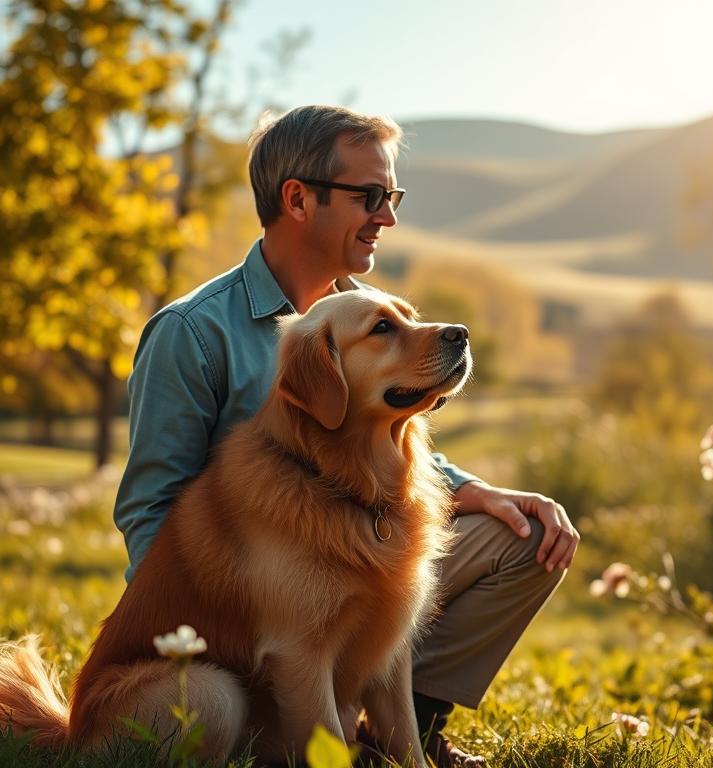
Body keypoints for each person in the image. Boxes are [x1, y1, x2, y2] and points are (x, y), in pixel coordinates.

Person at [114, 105, 580, 766]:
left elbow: (383, 446)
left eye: (390, 197)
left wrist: (478, 492)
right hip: (250, 614)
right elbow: (149, 511)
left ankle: (399, 724)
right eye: (369, 196)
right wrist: (212, 634)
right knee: (251, 681)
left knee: (524, 538)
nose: (387, 217)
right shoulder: (193, 333)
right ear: (298, 199)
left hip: (359, 557)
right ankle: (317, 726)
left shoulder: (365, 308)